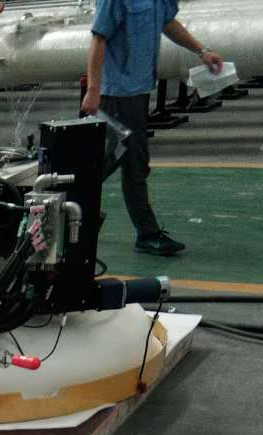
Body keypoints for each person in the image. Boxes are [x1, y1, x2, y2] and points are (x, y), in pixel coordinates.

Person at [82, 0, 223, 256]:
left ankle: (72, 207)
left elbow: (168, 23)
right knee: (124, 161)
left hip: (139, 89)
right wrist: (93, 89)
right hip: (117, 92)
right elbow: (98, 39)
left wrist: (202, 51)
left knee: (122, 160)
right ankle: (144, 232)